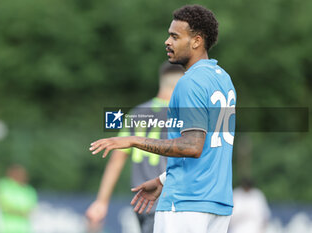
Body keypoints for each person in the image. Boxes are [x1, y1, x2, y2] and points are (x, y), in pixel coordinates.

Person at [89, 4, 236, 233]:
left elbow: (192, 146)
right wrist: (163, 180)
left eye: (175, 36)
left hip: (185, 201)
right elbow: (207, 149)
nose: (167, 42)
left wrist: (134, 140)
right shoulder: (223, 79)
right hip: (218, 202)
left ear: (196, 41)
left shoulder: (190, 82)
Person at [85, 62, 184, 233]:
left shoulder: (137, 112)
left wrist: (101, 201)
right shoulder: (182, 114)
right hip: (170, 200)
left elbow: (117, 159)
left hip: (141, 201)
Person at [0, 164, 38, 233]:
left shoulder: (30, 190)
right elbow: (4, 206)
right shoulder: (3, 185)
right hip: (6, 229)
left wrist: (17, 211)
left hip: (23, 229)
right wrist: (21, 212)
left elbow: (32, 210)